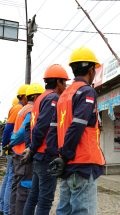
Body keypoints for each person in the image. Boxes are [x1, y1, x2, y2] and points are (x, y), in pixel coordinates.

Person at [50, 47, 105, 215]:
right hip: (82, 162)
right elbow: (78, 125)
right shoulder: (86, 91)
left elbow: (54, 129)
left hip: (67, 164)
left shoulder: (64, 95)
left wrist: (60, 157)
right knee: (82, 211)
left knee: (64, 211)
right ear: (91, 70)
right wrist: (65, 155)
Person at [22, 64, 69, 215]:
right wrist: (33, 148)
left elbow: (30, 127)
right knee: (45, 201)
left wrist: (31, 148)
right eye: (64, 82)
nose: (65, 86)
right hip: (45, 155)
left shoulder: (40, 98)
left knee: (33, 197)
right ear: (58, 82)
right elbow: (41, 127)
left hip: (38, 156)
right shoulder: (53, 98)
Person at [9, 83, 44, 215]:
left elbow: (14, 131)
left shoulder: (22, 110)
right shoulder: (31, 110)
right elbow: (23, 131)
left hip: (17, 153)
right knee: (24, 191)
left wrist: (12, 143)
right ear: (35, 97)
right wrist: (13, 142)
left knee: (17, 188)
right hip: (24, 155)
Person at [0, 84, 29, 215]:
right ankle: (6, 210)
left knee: (8, 178)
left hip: (11, 147)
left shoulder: (17, 108)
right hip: (14, 148)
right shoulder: (19, 108)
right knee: (11, 179)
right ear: (23, 96)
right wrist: (6, 146)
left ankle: (3, 208)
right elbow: (8, 129)